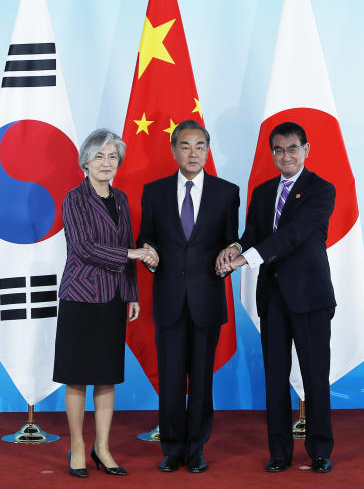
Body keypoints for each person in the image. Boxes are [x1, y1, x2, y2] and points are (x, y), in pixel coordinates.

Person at [216, 121, 337, 474]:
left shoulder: (321, 190)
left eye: (293, 149)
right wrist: (235, 248)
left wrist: (246, 258)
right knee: (274, 377)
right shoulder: (264, 191)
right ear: (272, 153)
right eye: (280, 150)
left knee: (316, 377)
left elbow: (294, 235)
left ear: (306, 150)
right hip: (273, 297)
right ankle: (279, 452)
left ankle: (319, 450)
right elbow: (253, 233)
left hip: (310, 297)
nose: (286, 155)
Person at [54, 129, 159, 478]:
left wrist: (131, 293)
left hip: (113, 298)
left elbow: (126, 245)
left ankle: (102, 447)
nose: (106, 162)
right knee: (76, 378)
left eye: (113, 156)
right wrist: (134, 254)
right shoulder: (74, 198)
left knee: (106, 378)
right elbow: (84, 248)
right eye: (99, 156)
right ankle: (78, 447)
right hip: (80, 297)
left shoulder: (121, 198)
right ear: (85, 161)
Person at [137, 120, 239, 474]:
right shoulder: (154, 192)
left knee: (201, 381)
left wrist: (233, 250)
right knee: (170, 380)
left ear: (208, 150)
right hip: (168, 299)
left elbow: (232, 239)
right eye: (185, 146)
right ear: (173, 150)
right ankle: (171, 448)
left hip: (206, 299)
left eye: (199, 146)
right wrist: (148, 253)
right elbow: (146, 237)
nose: (192, 153)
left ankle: (196, 448)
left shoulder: (227, 192)